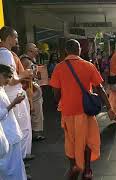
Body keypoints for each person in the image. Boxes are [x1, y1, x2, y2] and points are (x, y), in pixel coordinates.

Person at [50, 39, 116, 180]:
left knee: (70, 141)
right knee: (86, 139)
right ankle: (87, 170)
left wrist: (60, 102)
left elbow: (56, 92)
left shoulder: (59, 67)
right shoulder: (89, 66)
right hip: (85, 110)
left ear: (66, 51)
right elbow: (100, 88)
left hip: (67, 111)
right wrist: (109, 108)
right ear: (79, 49)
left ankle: (74, 166)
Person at [0, 26, 34, 162]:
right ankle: (22, 158)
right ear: (9, 38)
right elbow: (11, 80)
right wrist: (25, 74)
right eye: (15, 37)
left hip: (7, 95)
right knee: (23, 128)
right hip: (14, 95)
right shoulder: (6, 54)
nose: (17, 40)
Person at [0, 64, 28, 180]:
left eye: (10, 77)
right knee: (9, 168)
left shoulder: (1, 89)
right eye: (6, 76)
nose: (8, 80)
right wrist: (13, 103)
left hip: (11, 133)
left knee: (16, 166)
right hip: (6, 135)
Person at [20, 43, 46, 142]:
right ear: (30, 50)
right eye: (35, 48)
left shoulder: (27, 60)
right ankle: (35, 133)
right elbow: (26, 76)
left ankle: (34, 133)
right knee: (35, 111)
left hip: (31, 89)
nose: (37, 49)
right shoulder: (26, 61)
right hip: (30, 90)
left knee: (35, 111)